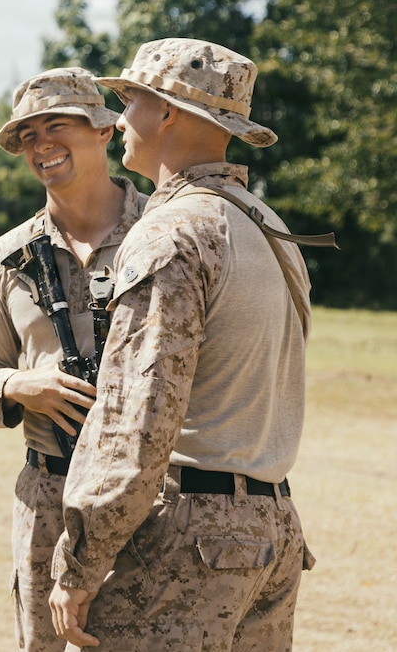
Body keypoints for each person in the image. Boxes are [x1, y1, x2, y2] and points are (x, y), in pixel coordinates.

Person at [49, 38, 317, 649]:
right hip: (271, 526)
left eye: (130, 101)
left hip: (187, 535)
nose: (118, 120)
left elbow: (138, 417)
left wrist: (80, 561)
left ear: (166, 112)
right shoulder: (270, 227)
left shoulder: (173, 231)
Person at [0, 67, 146, 651]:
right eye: (28, 135)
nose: (42, 146)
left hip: (152, 495)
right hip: (48, 496)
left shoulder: (163, 232)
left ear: (105, 131)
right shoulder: (9, 257)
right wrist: (17, 385)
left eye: (57, 126)